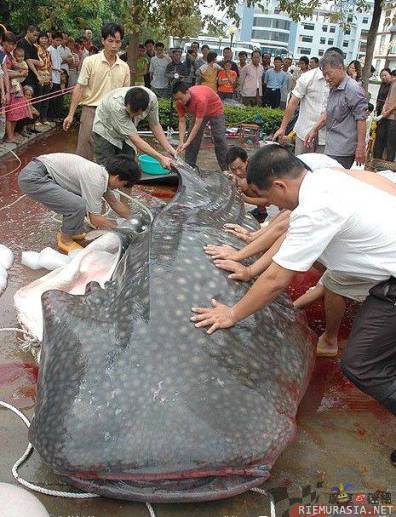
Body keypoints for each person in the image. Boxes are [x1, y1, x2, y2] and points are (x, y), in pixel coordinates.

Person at [191, 144, 396, 466]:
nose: (273, 206)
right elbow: (380, 182)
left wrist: (232, 313)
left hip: (392, 284)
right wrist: (246, 264)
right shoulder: (328, 177)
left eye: (269, 198)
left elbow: (276, 279)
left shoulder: (316, 209)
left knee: (362, 365)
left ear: (280, 186)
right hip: (385, 273)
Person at [18, 153, 141, 253]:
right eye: (123, 184)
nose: (121, 188)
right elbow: (95, 219)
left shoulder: (103, 175)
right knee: (77, 205)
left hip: (41, 171)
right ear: (117, 177)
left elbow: (115, 203)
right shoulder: (96, 180)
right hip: (34, 178)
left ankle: (73, 231)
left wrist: (135, 219)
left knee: (79, 201)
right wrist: (122, 230)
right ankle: (65, 240)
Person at [63, 23, 130, 161]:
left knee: (110, 155)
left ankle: (105, 182)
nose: (114, 46)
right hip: (91, 112)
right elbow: (79, 88)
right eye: (110, 41)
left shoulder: (124, 67)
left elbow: (125, 96)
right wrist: (70, 115)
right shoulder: (90, 61)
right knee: (85, 155)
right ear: (103, 41)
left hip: (113, 115)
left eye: (117, 42)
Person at [305, 51, 368, 168]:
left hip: (343, 150)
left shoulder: (353, 89)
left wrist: (361, 146)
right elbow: (328, 113)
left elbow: (361, 119)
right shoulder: (334, 87)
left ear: (340, 68)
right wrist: (314, 129)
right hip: (332, 145)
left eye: (329, 74)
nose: (327, 78)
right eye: (324, 75)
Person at [93, 86, 177, 167]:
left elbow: (154, 125)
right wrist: (160, 158)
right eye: (129, 113)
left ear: (144, 109)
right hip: (106, 130)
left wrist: (168, 148)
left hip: (127, 134)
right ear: (126, 104)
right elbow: (135, 139)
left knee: (128, 166)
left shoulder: (151, 100)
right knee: (107, 166)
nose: (131, 116)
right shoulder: (117, 106)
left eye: (135, 114)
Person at [274, 61, 328, 154]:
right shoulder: (308, 77)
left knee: (322, 166)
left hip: (328, 137)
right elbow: (293, 102)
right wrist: (283, 128)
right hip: (305, 132)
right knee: (302, 164)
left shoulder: (342, 81)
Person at [173, 81, 228, 170]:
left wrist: (187, 142)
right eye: (177, 99)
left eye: (181, 98)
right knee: (193, 138)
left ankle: (226, 169)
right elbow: (182, 121)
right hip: (198, 112)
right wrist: (181, 142)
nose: (179, 101)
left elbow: (197, 124)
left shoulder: (200, 99)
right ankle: (189, 166)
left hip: (215, 109)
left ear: (187, 92)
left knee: (219, 138)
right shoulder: (179, 102)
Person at [31, 32, 52, 128]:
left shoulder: (47, 50)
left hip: (47, 77)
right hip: (39, 76)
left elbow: (50, 65)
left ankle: (44, 118)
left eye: (45, 38)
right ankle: (36, 119)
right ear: (39, 39)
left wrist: (51, 78)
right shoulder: (35, 48)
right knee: (38, 98)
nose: (44, 40)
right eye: (42, 38)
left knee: (46, 98)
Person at [374, 77, 396, 161]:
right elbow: (388, 97)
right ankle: (376, 163)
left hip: (393, 118)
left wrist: (389, 111)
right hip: (385, 116)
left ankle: (388, 167)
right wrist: (384, 109)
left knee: (390, 144)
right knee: (379, 141)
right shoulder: (393, 82)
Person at [16, 25, 40, 94]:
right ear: (28, 32)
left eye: (37, 36)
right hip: (24, 77)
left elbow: (40, 63)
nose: (35, 38)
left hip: (33, 77)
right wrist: (38, 75)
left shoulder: (34, 47)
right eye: (34, 35)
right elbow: (27, 60)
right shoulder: (21, 43)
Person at [47, 32, 63, 122]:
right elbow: (49, 65)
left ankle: (56, 116)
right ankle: (51, 117)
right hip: (52, 77)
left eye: (60, 40)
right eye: (57, 40)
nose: (59, 42)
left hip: (58, 77)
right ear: (52, 40)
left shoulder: (58, 49)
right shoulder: (49, 50)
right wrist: (58, 70)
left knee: (57, 98)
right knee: (52, 98)